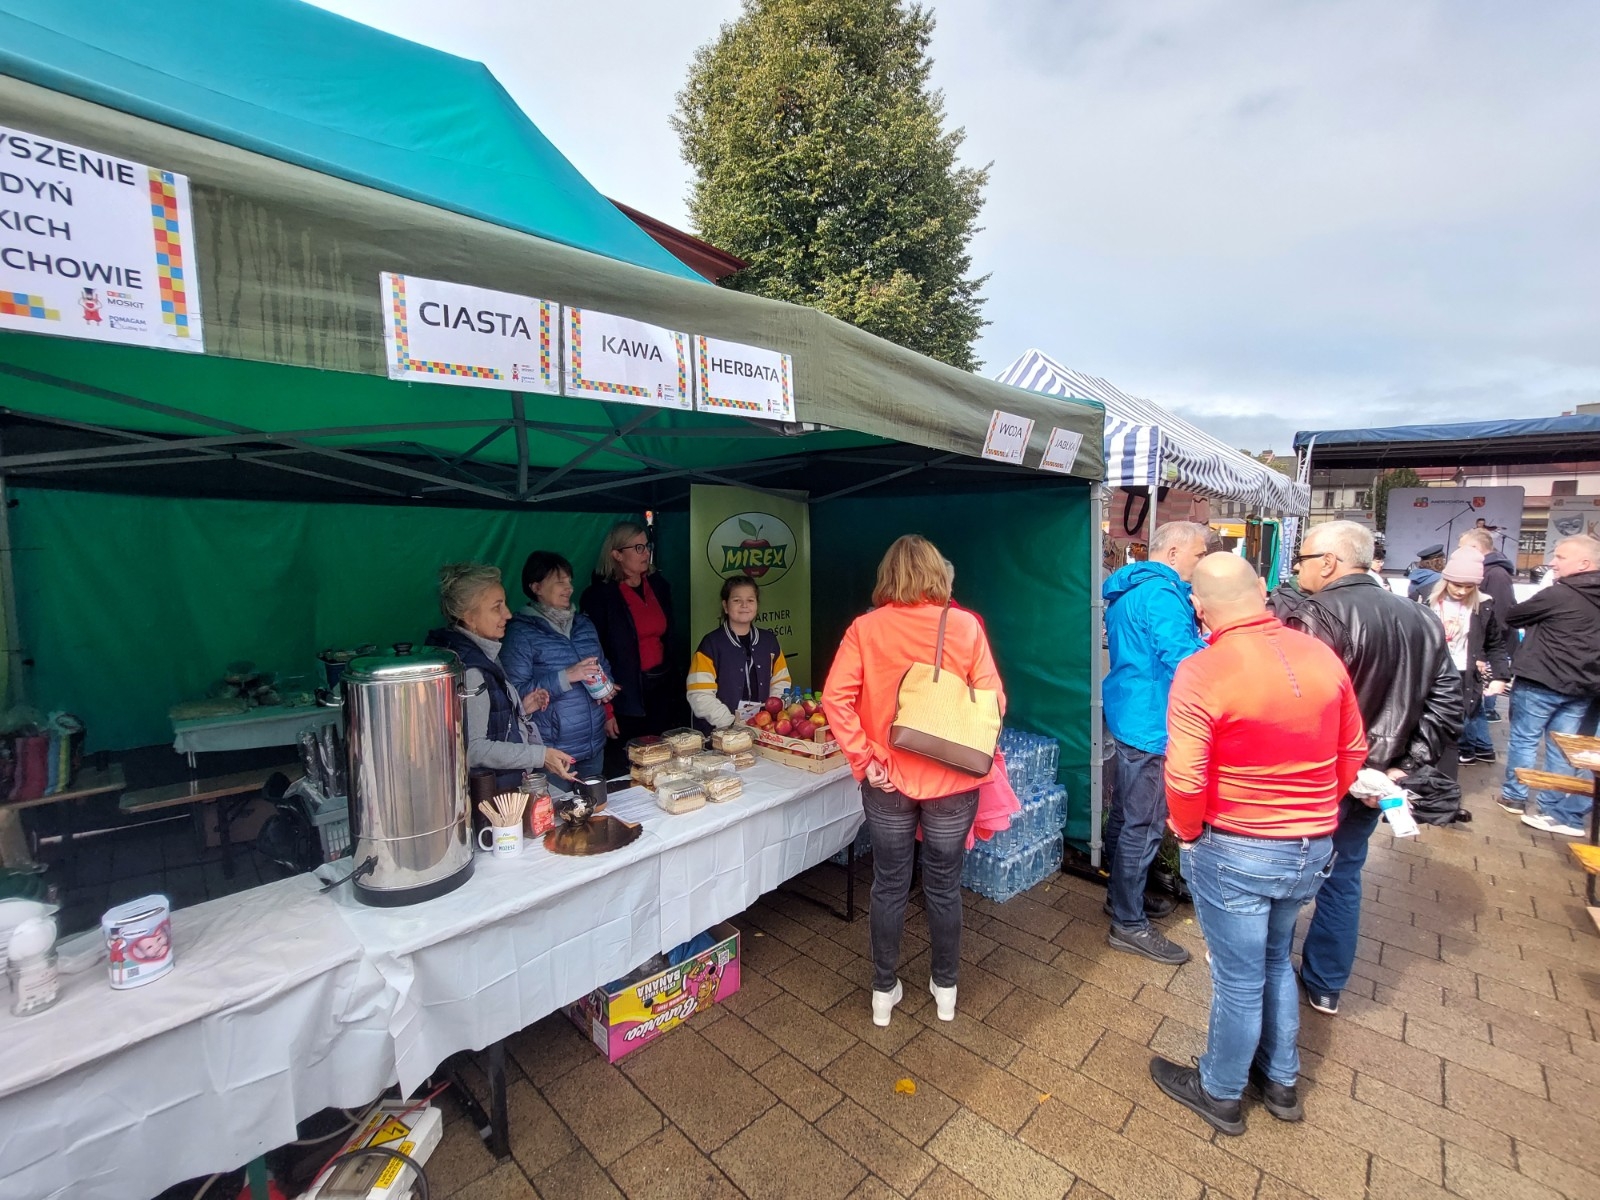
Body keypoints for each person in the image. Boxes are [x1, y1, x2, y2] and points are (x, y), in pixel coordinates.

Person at [1150, 555, 1366, 1136]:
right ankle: (1281, 1080)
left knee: (1238, 977)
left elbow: (1186, 777)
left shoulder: (1203, 670)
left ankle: (1219, 1090)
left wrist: (1188, 832)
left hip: (1235, 844)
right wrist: (1315, 810)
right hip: (1310, 842)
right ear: (1263, 593)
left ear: (1199, 607)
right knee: (1275, 960)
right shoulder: (1320, 654)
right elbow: (1353, 752)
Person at [1277, 520, 1460, 1016]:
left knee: (1287, 872)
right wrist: (1402, 765)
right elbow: (1448, 703)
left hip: (1319, 775)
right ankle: (1325, 984)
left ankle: (1270, 972)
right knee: (1343, 872)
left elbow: (1295, 702)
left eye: (1303, 560)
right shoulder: (1421, 618)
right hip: (1375, 778)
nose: (1297, 570)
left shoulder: (1318, 615)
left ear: (1329, 563)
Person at [822, 534, 1005, 1027]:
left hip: (886, 780)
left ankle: (884, 990)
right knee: (945, 888)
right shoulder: (964, 626)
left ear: (888, 577)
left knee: (888, 884)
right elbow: (995, 704)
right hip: (953, 781)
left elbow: (834, 699)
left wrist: (864, 759)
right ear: (937, 575)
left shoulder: (865, 628)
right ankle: (945, 988)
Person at [1101, 521, 1209, 965]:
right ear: (1174, 551)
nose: (1201, 563)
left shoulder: (1129, 588)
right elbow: (1185, 660)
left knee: (1127, 814)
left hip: (1131, 711)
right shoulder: (1163, 594)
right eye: (1199, 555)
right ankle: (1127, 922)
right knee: (1141, 825)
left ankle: (1122, 898)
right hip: (1153, 721)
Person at [426, 563, 576, 790]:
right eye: (497, 607)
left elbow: (486, 718)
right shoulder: (472, 670)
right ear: (469, 616)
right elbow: (474, 749)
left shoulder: (473, 652)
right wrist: (540, 755)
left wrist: (519, 709)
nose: (507, 614)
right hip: (487, 794)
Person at [1498, 535, 1600, 835]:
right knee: (1560, 747)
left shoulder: (1559, 594)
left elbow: (1512, 615)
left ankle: (1514, 797)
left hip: (1540, 682)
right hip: (1581, 687)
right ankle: (1550, 808)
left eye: (1561, 557)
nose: (1553, 563)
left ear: (1585, 563)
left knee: (1525, 740)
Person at [501, 550, 617, 782]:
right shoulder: (521, 632)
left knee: (595, 810)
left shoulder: (583, 624)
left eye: (569, 581)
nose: (569, 588)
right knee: (556, 815)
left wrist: (608, 691)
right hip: (552, 751)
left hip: (593, 744)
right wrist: (566, 676)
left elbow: (602, 666)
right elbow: (514, 694)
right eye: (559, 582)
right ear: (536, 587)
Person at [581, 521, 678, 749]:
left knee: (663, 758)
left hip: (661, 689)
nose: (646, 553)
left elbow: (670, 639)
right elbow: (592, 655)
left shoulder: (658, 585)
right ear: (616, 554)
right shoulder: (599, 596)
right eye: (638, 548)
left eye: (646, 546)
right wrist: (606, 709)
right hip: (625, 698)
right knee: (631, 762)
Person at [1426, 549, 1511, 766]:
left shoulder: (1484, 604)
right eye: (1457, 584)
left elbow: (1495, 643)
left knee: (1463, 719)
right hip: (1431, 671)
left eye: (1469, 586)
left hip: (1465, 672)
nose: (1462, 591)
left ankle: (1451, 765)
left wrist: (1500, 677)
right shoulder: (1427, 600)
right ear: (1446, 580)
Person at [686, 574, 792, 732]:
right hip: (720, 735)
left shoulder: (769, 641)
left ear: (757, 604)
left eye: (750, 600)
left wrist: (771, 712)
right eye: (736, 600)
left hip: (762, 730)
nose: (744, 605)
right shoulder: (711, 644)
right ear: (726, 606)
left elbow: (781, 682)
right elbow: (700, 694)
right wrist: (730, 724)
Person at [1460, 527, 1516, 723]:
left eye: (1462, 548)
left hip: (1487, 649)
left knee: (1479, 704)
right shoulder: (1488, 571)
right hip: (1479, 648)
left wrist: (1482, 653)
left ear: (1475, 548)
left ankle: (1480, 746)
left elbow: (1499, 616)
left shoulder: (1496, 575)